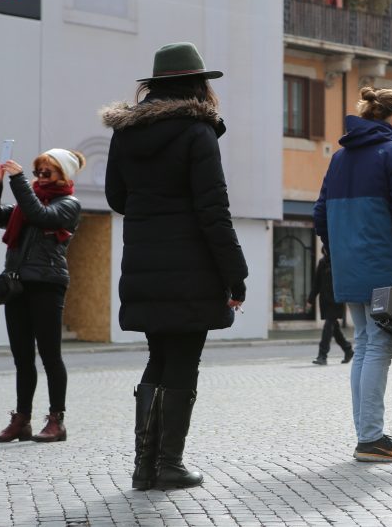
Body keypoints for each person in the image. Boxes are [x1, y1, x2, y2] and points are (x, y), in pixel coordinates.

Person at [102, 42, 249, 490]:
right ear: (197, 85)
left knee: (159, 356)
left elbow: (116, 199)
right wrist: (236, 273)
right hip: (192, 267)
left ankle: (145, 467)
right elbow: (213, 210)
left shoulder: (125, 133)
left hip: (145, 262)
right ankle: (169, 464)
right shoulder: (197, 132)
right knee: (183, 360)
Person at [314, 86, 392, 462]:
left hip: (349, 268)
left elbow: (319, 215)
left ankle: (367, 434)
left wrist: (339, 252)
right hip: (383, 268)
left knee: (364, 343)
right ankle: (372, 439)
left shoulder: (340, 158)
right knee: (379, 346)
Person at [0, 149, 85, 444]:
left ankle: (56, 421)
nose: (40, 178)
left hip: (47, 285)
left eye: (46, 173)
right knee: (22, 358)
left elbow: (42, 217)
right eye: (37, 172)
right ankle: (22, 420)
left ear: (62, 174)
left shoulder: (69, 205)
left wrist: (19, 180)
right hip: (16, 285)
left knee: (51, 356)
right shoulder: (26, 204)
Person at [308, 246, 353, 366]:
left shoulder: (339, 262)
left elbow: (346, 280)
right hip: (325, 301)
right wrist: (310, 300)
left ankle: (322, 355)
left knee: (328, 326)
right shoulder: (322, 262)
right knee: (334, 328)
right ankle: (348, 349)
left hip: (336, 301)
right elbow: (316, 283)